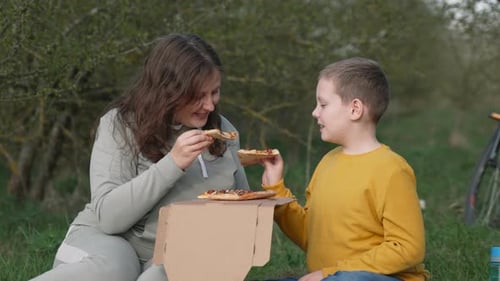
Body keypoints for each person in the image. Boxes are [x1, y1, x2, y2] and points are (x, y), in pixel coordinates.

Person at [29, 33, 249, 281]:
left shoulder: (224, 132)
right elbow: (109, 219)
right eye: (198, 96)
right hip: (108, 241)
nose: (209, 105)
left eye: (214, 92)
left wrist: (272, 188)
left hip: (176, 254)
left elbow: (242, 216)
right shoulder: (120, 125)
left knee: (158, 275)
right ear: (169, 90)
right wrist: (173, 164)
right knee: (117, 268)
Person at [261, 57, 430, 281]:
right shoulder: (327, 163)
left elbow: (408, 247)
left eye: (323, 104)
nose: (315, 112)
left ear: (355, 109)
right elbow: (311, 236)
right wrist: (276, 189)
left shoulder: (391, 170)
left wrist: (330, 273)